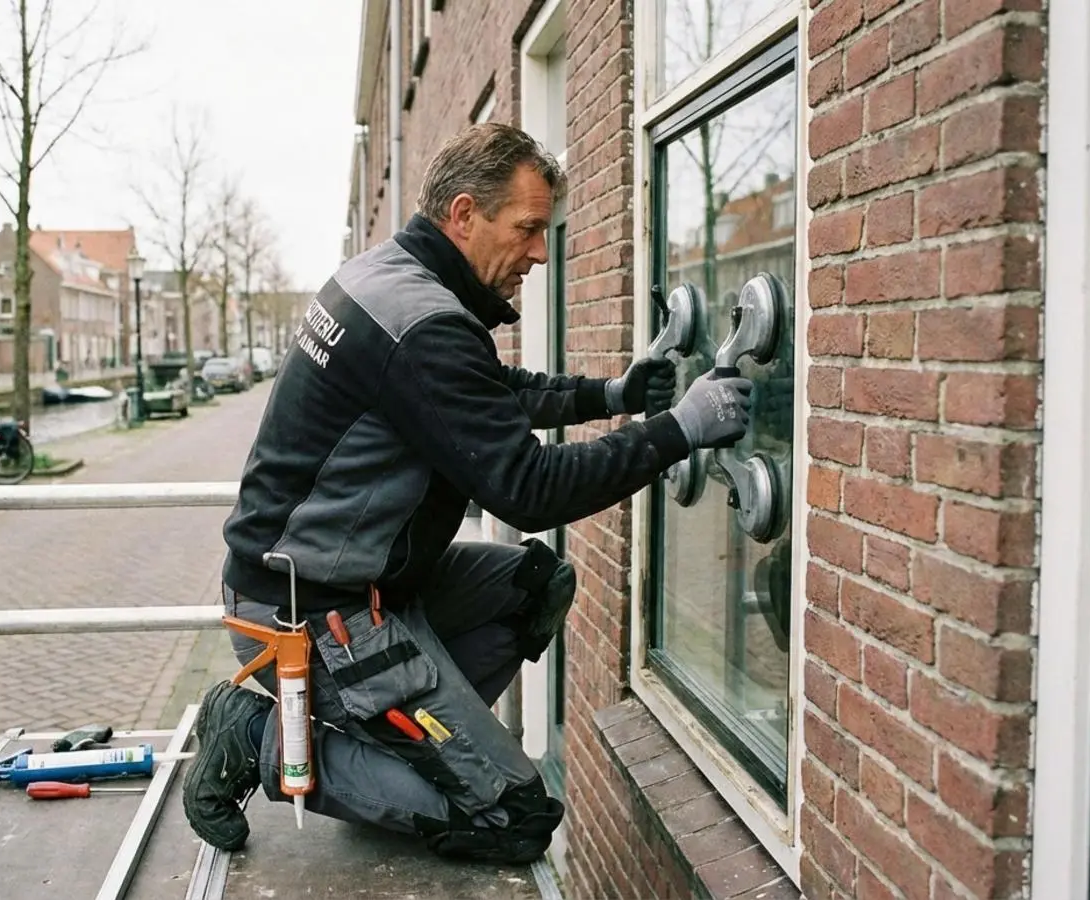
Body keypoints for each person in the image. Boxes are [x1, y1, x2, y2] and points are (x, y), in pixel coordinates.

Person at [182, 122, 755, 866]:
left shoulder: (391, 280)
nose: (540, 253)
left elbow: (482, 395)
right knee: (512, 821)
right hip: (310, 617)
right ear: (462, 215)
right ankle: (255, 735)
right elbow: (528, 489)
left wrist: (606, 394)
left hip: (370, 589)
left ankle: (413, 741)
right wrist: (679, 430)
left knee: (531, 582)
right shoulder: (423, 327)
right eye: (527, 229)